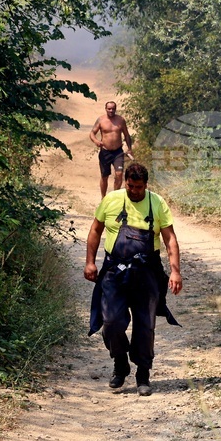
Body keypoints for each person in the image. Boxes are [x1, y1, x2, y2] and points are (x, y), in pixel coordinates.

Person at [84, 162, 182, 396]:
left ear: (146, 185)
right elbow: (95, 230)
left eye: (139, 187)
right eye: (131, 186)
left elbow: (170, 239)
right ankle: (120, 363)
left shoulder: (157, 203)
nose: (135, 191)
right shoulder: (111, 200)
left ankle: (143, 373)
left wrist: (175, 271)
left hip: (147, 272)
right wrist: (90, 262)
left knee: (146, 325)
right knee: (111, 322)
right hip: (114, 271)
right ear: (125, 183)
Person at [89, 101, 134, 198]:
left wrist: (130, 148)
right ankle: (103, 198)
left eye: (113, 108)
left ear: (115, 109)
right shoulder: (101, 120)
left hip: (118, 152)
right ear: (106, 109)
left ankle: (114, 197)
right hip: (105, 152)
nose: (111, 110)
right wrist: (96, 141)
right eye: (109, 109)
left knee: (119, 174)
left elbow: (126, 135)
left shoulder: (120, 120)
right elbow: (92, 133)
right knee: (104, 176)